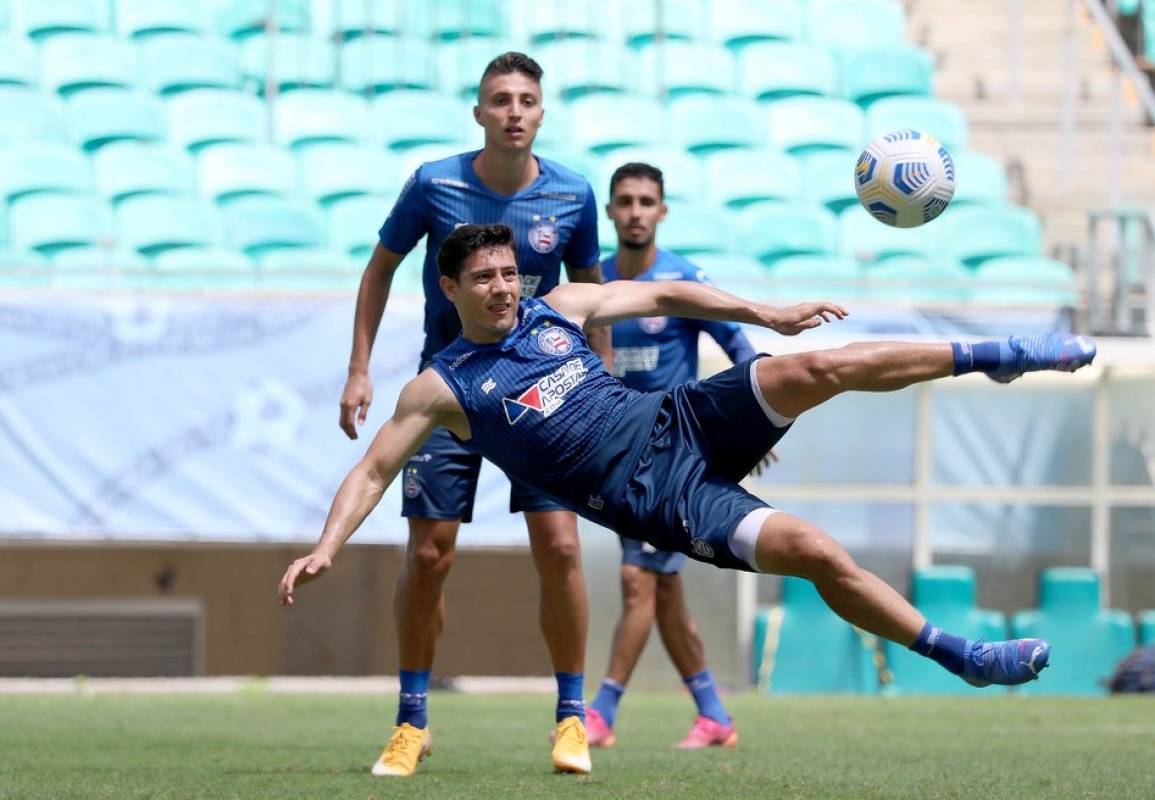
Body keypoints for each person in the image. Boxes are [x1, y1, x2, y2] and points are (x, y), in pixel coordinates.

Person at [284, 223, 1097, 755]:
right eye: (483, 278)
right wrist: (327, 546)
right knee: (816, 552)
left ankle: (996, 354)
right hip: (661, 500)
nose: (502, 287)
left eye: (508, 273)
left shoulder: (557, 308)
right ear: (450, 289)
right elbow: (373, 469)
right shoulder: (443, 385)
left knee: (819, 364)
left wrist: (766, 314)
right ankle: (963, 658)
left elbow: (668, 293)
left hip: (680, 418)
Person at [336, 52, 606, 776]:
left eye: (526, 99)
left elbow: (594, 294)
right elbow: (380, 268)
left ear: (541, 112)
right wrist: (360, 368)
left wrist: (600, 385)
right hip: (451, 393)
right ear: (479, 112)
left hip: (542, 393)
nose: (514, 111)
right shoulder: (435, 183)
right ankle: (411, 721)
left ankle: (571, 718)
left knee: (561, 548)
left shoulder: (573, 194)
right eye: (500, 99)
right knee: (428, 556)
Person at [584, 162, 757, 750]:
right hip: (615, 453)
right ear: (610, 211)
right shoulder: (594, 280)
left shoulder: (684, 279)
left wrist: (748, 429)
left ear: (662, 211)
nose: (635, 212)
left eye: (645, 201)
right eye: (625, 201)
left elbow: (740, 347)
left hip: (670, 455)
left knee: (638, 579)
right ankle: (714, 715)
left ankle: (602, 714)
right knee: (662, 588)